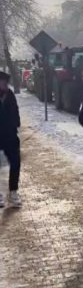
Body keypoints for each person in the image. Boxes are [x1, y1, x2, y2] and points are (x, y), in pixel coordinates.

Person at [0, 70, 21, 208]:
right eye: (3, 82)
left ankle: (13, 192)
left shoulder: (10, 94)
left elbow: (15, 110)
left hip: (10, 135)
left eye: (6, 82)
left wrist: (16, 124)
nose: (5, 84)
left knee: (15, 162)